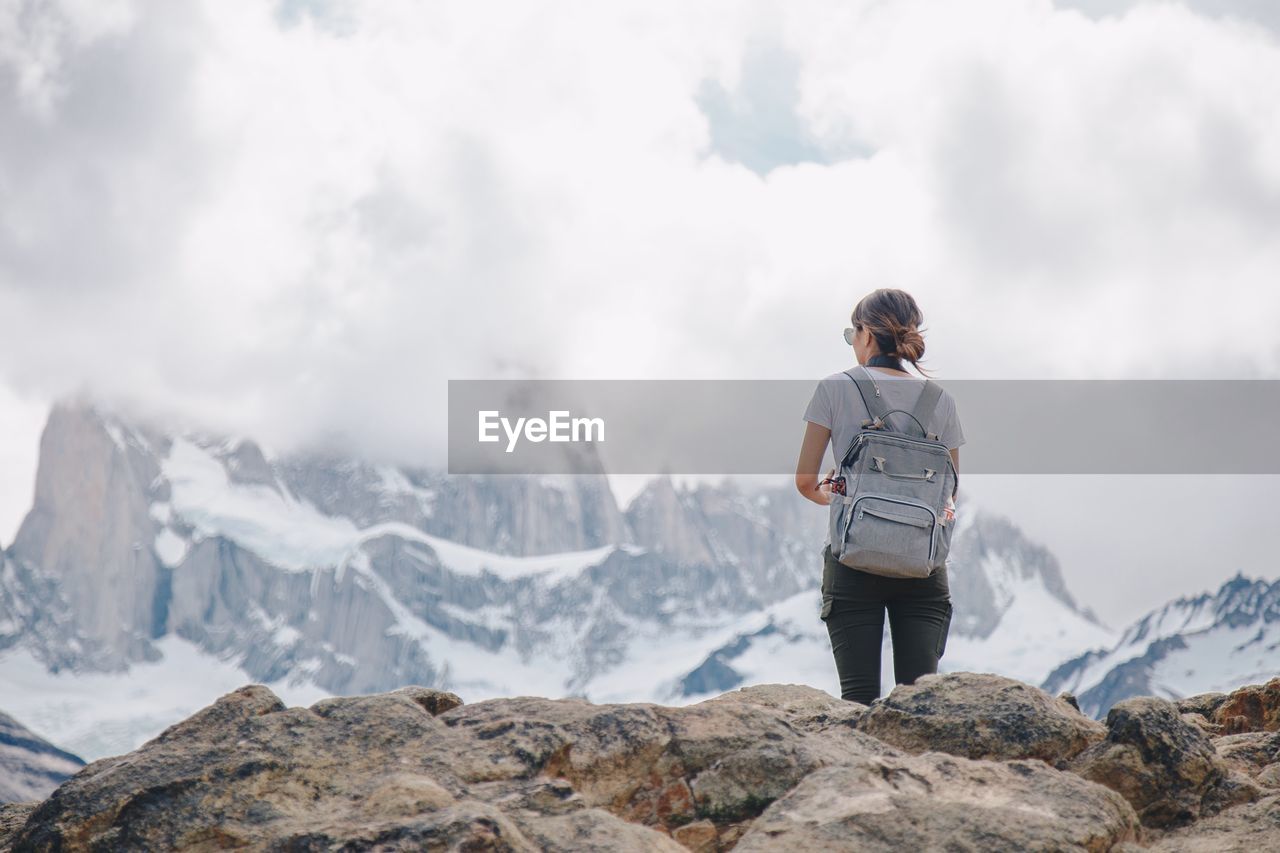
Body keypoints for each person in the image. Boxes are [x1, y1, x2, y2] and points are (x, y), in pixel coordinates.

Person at [794, 288, 965, 704]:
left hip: (854, 562)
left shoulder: (834, 388)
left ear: (866, 334)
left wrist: (838, 493)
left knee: (857, 701)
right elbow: (950, 492)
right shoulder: (941, 401)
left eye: (852, 333)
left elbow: (805, 481)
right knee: (919, 705)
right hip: (922, 569)